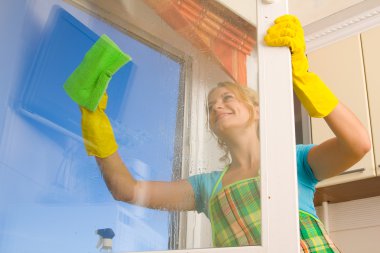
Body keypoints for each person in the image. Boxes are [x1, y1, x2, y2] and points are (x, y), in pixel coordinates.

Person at [79, 15, 371, 252]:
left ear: (256, 110)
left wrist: (301, 77)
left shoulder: (292, 162)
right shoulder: (207, 188)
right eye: (210, 106)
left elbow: (357, 144)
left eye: (227, 98)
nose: (217, 106)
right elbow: (126, 190)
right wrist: (95, 121)